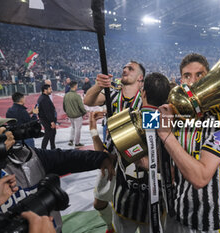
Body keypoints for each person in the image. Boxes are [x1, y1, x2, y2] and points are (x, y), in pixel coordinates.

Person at [158, 53, 220, 232]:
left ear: (208, 79)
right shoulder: (176, 116)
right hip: (175, 213)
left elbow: (200, 178)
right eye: (187, 76)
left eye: (199, 75)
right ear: (181, 81)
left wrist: (166, 135)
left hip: (208, 223)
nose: (193, 82)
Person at [0, 116, 115, 233]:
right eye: (2, 132)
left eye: (7, 129)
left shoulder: (27, 154)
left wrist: (100, 158)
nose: (9, 135)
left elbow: (66, 158)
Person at [89, 72, 170, 233]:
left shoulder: (124, 122)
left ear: (143, 93)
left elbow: (105, 155)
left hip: (125, 202)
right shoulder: (173, 125)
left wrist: (93, 129)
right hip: (156, 206)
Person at [84, 61, 145, 233]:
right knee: (99, 203)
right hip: (110, 158)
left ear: (140, 78)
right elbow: (88, 100)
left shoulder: (145, 99)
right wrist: (98, 85)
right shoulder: (112, 95)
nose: (125, 70)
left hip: (135, 161)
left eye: (130, 68)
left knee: (133, 208)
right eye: (124, 68)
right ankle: (111, 227)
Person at [63, 81, 87, 147]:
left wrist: (68, 112)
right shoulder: (77, 96)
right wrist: (84, 112)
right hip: (77, 115)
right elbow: (81, 106)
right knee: (77, 129)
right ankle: (77, 143)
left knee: (73, 127)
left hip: (70, 115)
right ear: (75, 86)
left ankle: (71, 140)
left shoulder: (66, 95)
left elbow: (64, 106)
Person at [37, 84, 57, 149]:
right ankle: (43, 149)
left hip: (45, 119)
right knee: (48, 135)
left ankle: (52, 148)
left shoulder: (44, 97)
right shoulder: (44, 99)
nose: (51, 90)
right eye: (50, 89)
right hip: (47, 120)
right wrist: (52, 121)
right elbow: (47, 111)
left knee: (51, 134)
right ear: (45, 90)